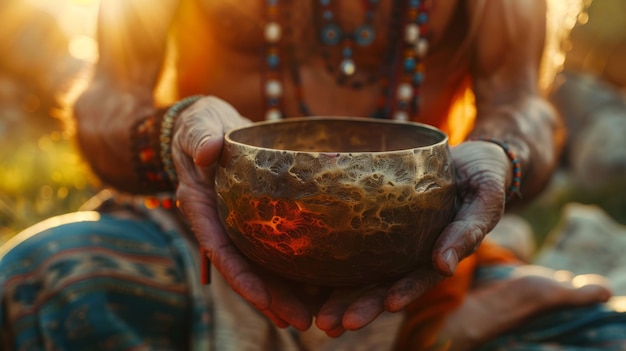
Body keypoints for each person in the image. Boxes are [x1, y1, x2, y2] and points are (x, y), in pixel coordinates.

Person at [1, 0, 624, 350]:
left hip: (419, 265)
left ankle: (434, 330)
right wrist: (175, 132)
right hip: (207, 246)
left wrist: (503, 156)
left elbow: (521, 105)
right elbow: (107, 103)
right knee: (42, 277)